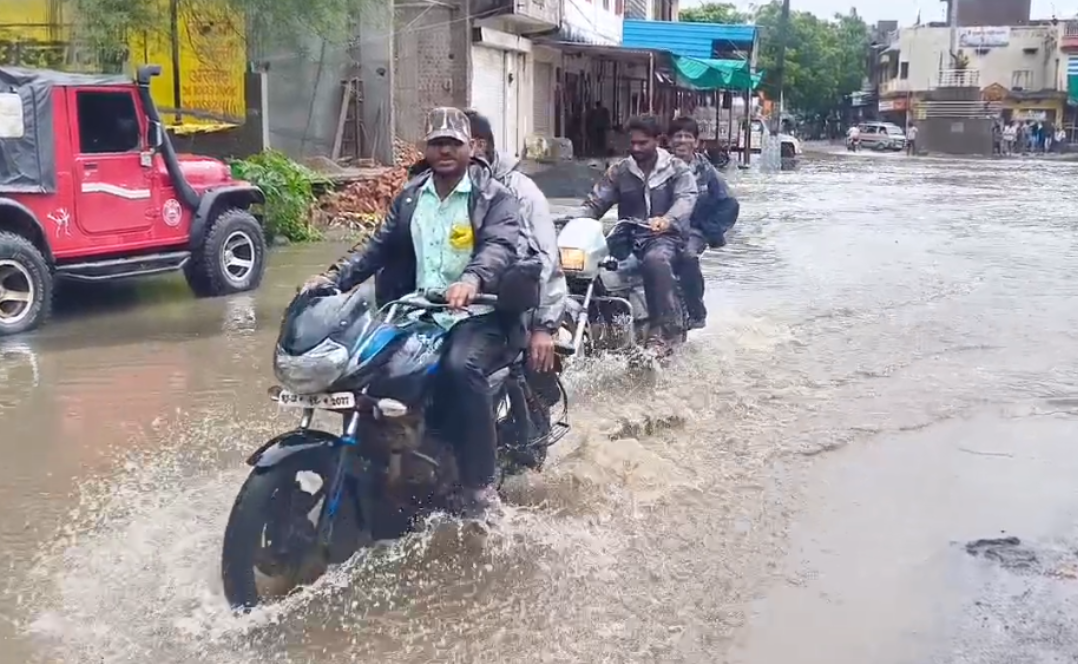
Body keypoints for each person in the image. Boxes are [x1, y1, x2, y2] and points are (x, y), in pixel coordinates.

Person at [301, 107, 528, 520]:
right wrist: (332, 279)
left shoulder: (494, 196)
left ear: (470, 147)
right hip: (416, 312)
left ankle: (479, 486)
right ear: (425, 147)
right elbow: (376, 248)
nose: (444, 150)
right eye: (437, 142)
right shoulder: (410, 196)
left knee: (461, 370)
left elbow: (500, 246)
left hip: (480, 314)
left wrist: (473, 280)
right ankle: (382, 461)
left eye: (453, 143)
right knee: (364, 370)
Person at [566, 114, 698, 353]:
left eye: (642, 143)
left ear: (658, 140)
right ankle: (596, 324)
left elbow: (686, 200)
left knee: (655, 260)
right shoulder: (620, 171)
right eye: (632, 143)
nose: (635, 148)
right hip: (626, 237)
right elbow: (596, 203)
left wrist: (667, 220)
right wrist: (573, 221)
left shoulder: (677, 170)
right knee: (588, 265)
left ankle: (662, 332)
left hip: (664, 239)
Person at [463, 109, 567, 375]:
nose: (444, 154)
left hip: (512, 308)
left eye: (453, 143)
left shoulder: (521, 192)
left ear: (477, 145)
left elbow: (544, 260)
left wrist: (543, 326)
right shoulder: (441, 187)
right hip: (455, 307)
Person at [668, 116, 740, 330]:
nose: (682, 140)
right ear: (669, 141)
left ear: (697, 142)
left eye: (687, 136)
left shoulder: (707, 172)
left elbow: (729, 204)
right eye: (677, 136)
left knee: (688, 256)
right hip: (660, 227)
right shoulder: (660, 166)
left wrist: (710, 230)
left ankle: (696, 312)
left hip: (693, 230)